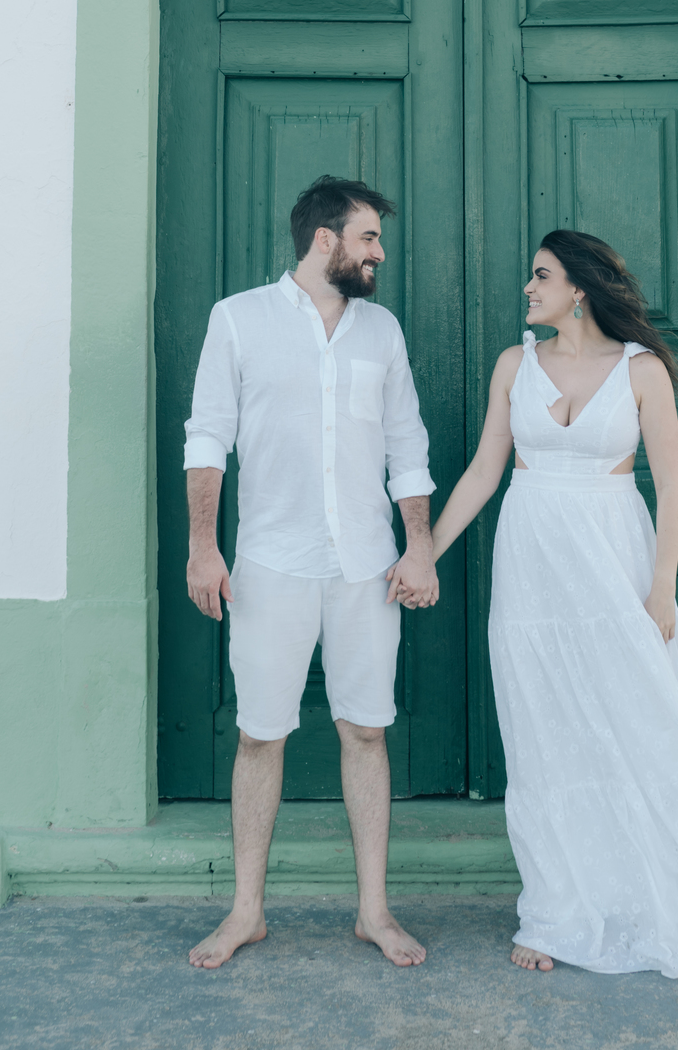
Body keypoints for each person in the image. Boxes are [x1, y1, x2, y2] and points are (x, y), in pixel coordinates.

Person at [430, 229, 678, 978]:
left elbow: (670, 487)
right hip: (533, 563)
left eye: (542, 276)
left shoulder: (643, 371)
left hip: (616, 560)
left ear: (580, 288)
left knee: (644, 720)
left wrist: (661, 586)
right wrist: (424, 552)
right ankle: (555, 911)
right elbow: (482, 471)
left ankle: (658, 898)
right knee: (544, 733)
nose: (529, 289)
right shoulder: (516, 364)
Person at [183, 175, 439, 971]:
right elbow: (207, 438)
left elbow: (409, 444)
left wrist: (419, 543)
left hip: (366, 566)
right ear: (325, 239)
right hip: (270, 563)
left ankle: (373, 912)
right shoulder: (239, 321)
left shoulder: (382, 331)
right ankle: (246, 912)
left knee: (366, 731)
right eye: (368, 238)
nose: (379, 253)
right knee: (261, 735)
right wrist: (203, 546)